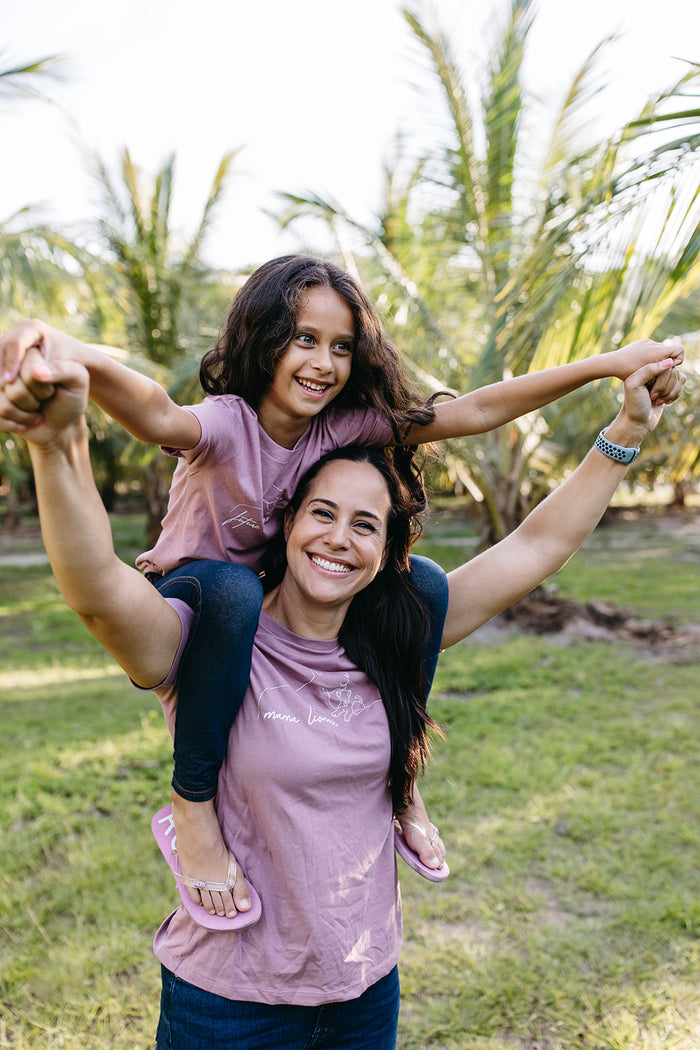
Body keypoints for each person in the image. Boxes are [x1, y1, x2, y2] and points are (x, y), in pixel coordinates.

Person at [0, 348, 685, 1049]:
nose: (338, 538)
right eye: (322, 513)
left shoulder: (396, 635)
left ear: (387, 549)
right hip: (230, 1005)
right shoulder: (210, 640)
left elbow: (537, 546)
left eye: (365, 524)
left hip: (363, 992)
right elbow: (99, 592)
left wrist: (627, 428)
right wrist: (60, 445)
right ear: (287, 524)